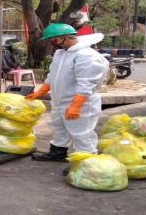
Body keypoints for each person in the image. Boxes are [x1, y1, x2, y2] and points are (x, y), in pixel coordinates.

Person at [25, 23, 109, 172]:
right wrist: (41, 91)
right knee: (59, 128)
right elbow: (52, 76)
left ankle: (85, 163)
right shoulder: (61, 53)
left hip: (82, 104)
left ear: (63, 38)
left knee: (81, 133)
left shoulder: (86, 56)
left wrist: (76, 105)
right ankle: (57, 153)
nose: (52, 44)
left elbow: (86, 83)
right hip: (60, 101)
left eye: (53, 40)